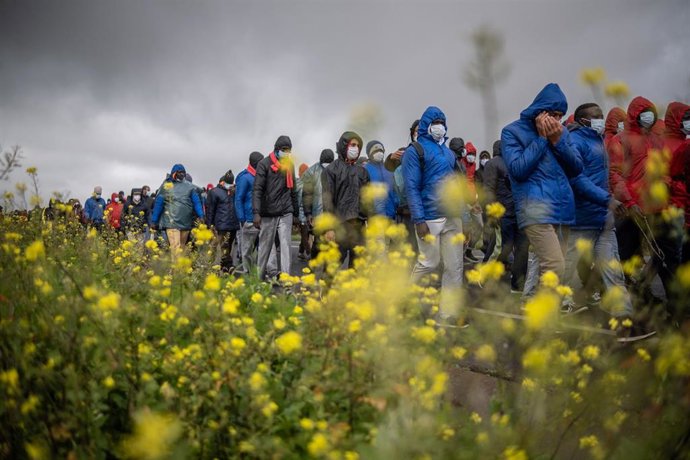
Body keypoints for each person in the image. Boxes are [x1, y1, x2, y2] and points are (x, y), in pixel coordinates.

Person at [501, 83, 582, 285]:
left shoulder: (562, 133)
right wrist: (542, 139)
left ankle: (544, 313)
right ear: (540, 111)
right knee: (555, 267)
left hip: (562, 208)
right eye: (552, 114)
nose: (557, 120)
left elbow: (577, 167)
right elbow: (518, 170)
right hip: (534, 209)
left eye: (560, 116)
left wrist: (558, 141)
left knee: (554, 271)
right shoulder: (511, 132)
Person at [608, 96, 683, 310]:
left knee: (666, 256)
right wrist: (630, 202)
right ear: (635, 114)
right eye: (644, 112)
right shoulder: (620, 140)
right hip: (632, 209)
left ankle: (675, 306)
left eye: (651, 112)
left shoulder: (655, 139)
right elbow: (615, 174)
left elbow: (665, 168)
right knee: (628, 255)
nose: (648, 117)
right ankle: (633, 302)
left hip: (658, 207)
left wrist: (666, 185)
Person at [562, 103, 634, 321]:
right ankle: (554, 305)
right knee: (566, 269)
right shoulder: (574, 142)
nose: (601, 120)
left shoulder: (600, 141)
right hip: (582, 220)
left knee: (612, 268)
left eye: (602, 116)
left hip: (603, 219)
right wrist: (607, 199)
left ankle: (623, 316)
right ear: (583, 120)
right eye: (597, 117)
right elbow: (577, 179)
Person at [403, 106, 464, 322]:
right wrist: (419, 219)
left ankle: (448, 314)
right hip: (429, 216)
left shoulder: (448, 153)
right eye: (435, 121)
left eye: (442, 121)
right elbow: (411, 187)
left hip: (452, 216)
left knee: (454, 266)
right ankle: (408, 302)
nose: (439, 125)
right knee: (429, 263)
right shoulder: (415, 151)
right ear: (427, 125)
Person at [483, 140, 529, 292]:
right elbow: (488, 189)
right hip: (503, 214)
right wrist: (492, 212)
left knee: (522, 250)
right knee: (502, 249)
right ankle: (484, 275)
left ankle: (517, 283)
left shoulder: (516, 162)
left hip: (519, 213)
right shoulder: (494, 163)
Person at [252, 136, 298, 280]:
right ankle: (260, 277)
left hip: (285, 211)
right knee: (266, 247)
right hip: (268, 212)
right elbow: (257, 189)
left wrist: (295, 213)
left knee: (285, 245)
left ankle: (286, 278)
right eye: (284, 150)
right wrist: (256, 212)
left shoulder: (289, 165)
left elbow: (293, 190)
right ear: (277, 149)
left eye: (288, 150)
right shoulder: (264, 164)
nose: (286, 153)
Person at [322, 131, 370, 267]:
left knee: (357, 267)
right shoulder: (331, 170)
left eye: (358, 146)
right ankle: (326, 289)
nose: (355, 148)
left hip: (358, 226)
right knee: (332, 266)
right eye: (352, 144)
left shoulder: (362, 172)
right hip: (339, 226)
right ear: (344, 146)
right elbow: (327, 201)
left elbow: (367, 200)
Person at [151, 164, 205, 258]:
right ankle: (176, 270)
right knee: (175, 248)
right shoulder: (166, 186)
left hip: (185, 223)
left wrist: (201, 215)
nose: (182, 174)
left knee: (182, 248)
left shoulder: (190, 187)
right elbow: (159, 204)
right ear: (174, 173)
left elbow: (196, 202)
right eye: (180, 172)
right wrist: (154, 220)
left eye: (183, 172)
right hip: (171, 222)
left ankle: (180, 270)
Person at [384, 120, 420, 253]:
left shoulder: (430, 153)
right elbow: (389, 166)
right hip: (405, 212)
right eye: (416, 131)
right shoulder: (406, 152)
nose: (419, 133)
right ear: (411, 133)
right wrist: (391, 157)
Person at [235, 151, 264, 273]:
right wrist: (241, 218)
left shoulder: (261, 175)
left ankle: (260, 270)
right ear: (255, 163)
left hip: (262, 218)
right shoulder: (245, 177)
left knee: (262, 248)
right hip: (248, 219)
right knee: (247, 249)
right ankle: (247, 271)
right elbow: (238, 198)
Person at [302, 149, 335, 258]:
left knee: (330, 243)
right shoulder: (312, 172)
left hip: (331, 214)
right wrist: (308, 213)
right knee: (318, 242)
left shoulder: (337, 170)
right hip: (318, 213)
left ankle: (326, 270)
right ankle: (315, 267)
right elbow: (307, 194)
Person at [206, 170, 240, 273]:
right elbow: (210, 209)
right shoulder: (214, 192)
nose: (229, 185)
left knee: (229, 246)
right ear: (222, 182)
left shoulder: (234, 191)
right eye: (227, 183)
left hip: (233, 225)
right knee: (221, 246)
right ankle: (223, 265)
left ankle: (224, 266)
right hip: (221, 225)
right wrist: (209, 224)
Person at [365, 140, 399, 220]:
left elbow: (394, 188)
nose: (379, 153)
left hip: (392, 214)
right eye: (376, 151)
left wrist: (396, 202)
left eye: (381, 150)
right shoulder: (365, 170)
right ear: (369, 154)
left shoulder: (388, 168)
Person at [475, 150, 495, 262]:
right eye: (483, 157)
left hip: (492, 203)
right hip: (483, 203)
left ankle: (488, 249)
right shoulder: (479, 172)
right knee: (486, 226)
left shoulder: (492, 170)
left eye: (486, 157)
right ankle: (486, 247)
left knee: (492, 227)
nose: (485, 159)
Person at [296, 163, 311, 260]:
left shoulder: (298, 183)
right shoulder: (302, 185)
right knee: (305, 234)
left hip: (303, 213)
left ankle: (301, 252)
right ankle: (310, 252)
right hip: (302, 214)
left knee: (305, 233)